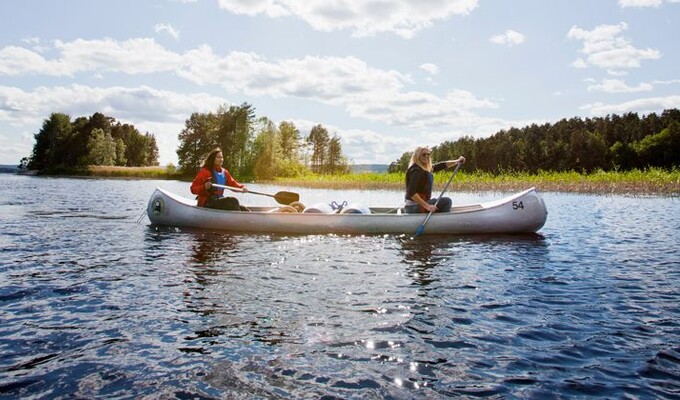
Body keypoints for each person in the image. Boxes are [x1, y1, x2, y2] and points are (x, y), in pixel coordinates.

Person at [404, 146, 465, 214]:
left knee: (442, 202)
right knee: (447, 201)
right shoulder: (416, 171)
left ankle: (434, 217)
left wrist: (457, 161)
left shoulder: (424, 168)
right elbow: (411, 193)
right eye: (423, 154)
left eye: (428, 154)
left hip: (417, 206)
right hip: (413, 207)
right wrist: (428, 206)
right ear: (417, 156)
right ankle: (440, 221)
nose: (426, 156)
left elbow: (441, 165)